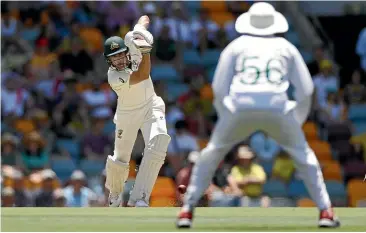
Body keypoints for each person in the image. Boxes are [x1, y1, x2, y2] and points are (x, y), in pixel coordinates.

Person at [176, 2, 340, 228]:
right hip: (278, 107)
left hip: (239, 106)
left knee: (211, 154)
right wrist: (296, 119)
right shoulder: (286, 46)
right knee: (305, 157)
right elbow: (306, 89)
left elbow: (219, 87)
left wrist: (227, 114)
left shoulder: (236, 46)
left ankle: (187, 210)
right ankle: (325, 211)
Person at [103, 15, 171, 207]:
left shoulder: (132, 42)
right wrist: (146, 51)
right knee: (121, 159)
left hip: (151, 104)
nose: (119, 60)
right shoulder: (114, 76)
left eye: (120, 54)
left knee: (159, 143)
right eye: (114, 57)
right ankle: (115, 194)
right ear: (109, 61)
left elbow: (144, 19)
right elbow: (143, 74)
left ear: (126, 51)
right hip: (127, 113)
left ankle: (140, 197)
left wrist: (141, 31)